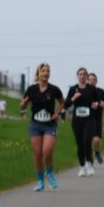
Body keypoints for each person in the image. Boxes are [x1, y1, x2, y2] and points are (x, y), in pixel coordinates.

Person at [20, 63, 65, 191]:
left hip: (50, 125)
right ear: (38, 73)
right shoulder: (31, 89)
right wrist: (23, 104)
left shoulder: (54, 89)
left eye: (48, 71)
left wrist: (57, 113)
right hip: (35, 125)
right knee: (38, 154)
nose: (46, 73)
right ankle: (40, 181)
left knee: (47, 151)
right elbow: (23, 106)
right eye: (43, 71)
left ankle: (49, 172)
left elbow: (62, 102)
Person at [65, 67, 99, 177]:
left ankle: (89, 165)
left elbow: (97, 101)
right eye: (80, 74)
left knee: (86, 141)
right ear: (77, 76)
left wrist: (96, 104)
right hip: (77, 120)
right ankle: (81, 167)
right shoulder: (73, 89)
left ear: (87, 76)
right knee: (80, 143)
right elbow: (66, 105)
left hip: (89, 119)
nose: (82, 76)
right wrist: (74, 98)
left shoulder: (91, 88)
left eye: (84, 74)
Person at [88, 72, 104, 164]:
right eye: (90, 80)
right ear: (87, 81)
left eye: (94, 80)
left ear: (96, 81)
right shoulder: (84, 91)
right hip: (86, 119)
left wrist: (98, 103)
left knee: (96, 140)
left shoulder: (101, 91)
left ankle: (97, 152)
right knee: (88, 140)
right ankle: (90, 157)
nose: (92, 81)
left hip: (97, 118)